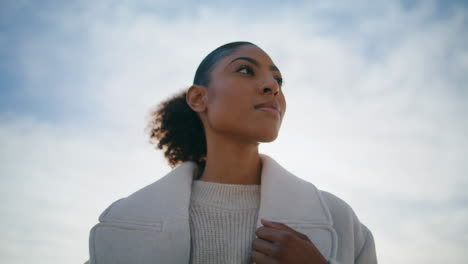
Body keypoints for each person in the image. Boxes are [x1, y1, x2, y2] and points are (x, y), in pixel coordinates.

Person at [85, 41, 377, 264]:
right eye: (245, 70)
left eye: (279, 80)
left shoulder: (341, 222)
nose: (272, 86)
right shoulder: (121, 228)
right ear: (199, 98)